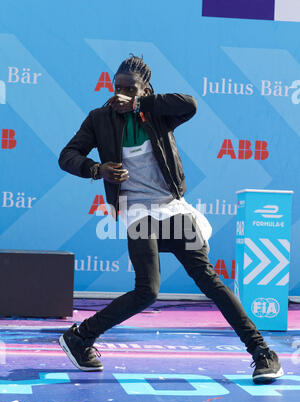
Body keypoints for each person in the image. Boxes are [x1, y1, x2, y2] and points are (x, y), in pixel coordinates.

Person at [58, 54, 283, 384]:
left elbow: (189, 104)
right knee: (148, 291)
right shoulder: (99, 119)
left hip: (172, 209)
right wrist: (97, 170)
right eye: (117, 87)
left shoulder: (156, 112)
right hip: (138, 211)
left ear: (143, 89)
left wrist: (141, 105)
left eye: (130, 89)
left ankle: (262, 353)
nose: (121, 94)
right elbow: (68, 156)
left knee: (208, 277)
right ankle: (80, 337)